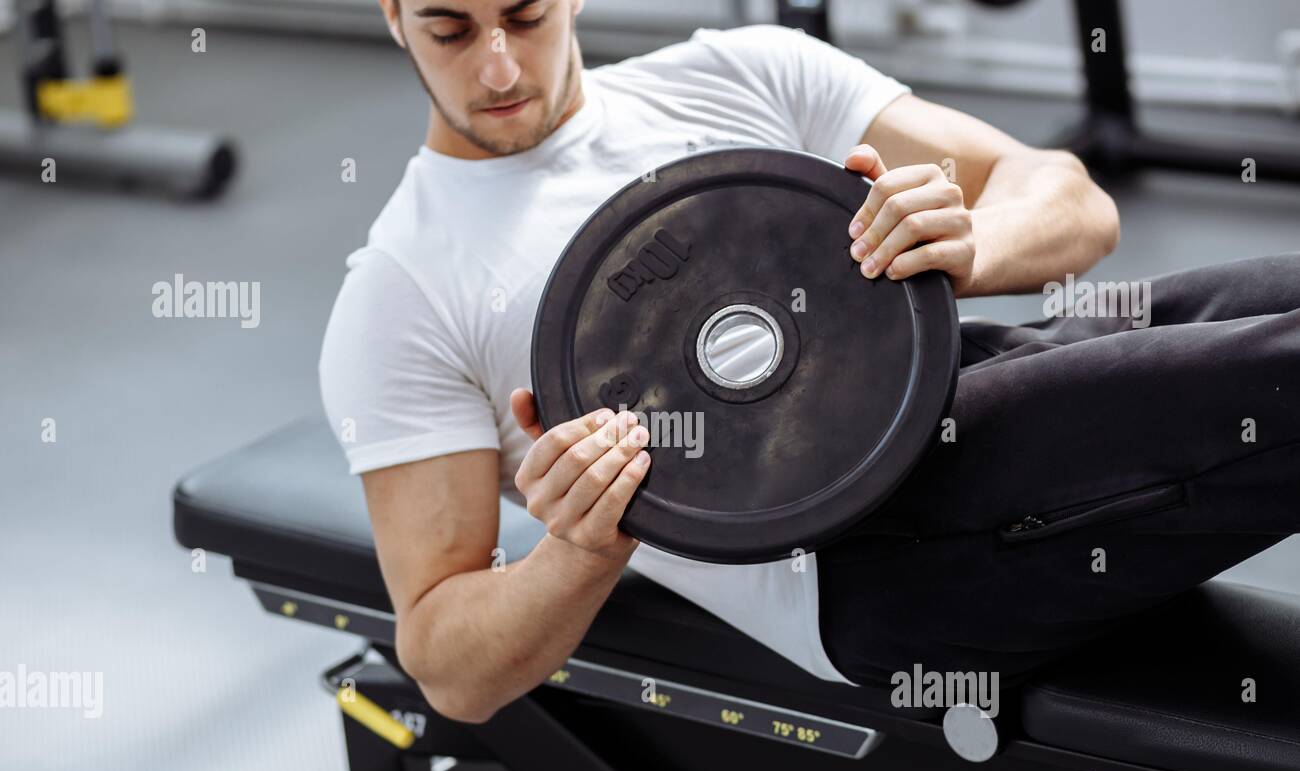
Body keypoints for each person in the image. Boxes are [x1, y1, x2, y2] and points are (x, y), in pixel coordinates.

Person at [319, 0, 1299, 722]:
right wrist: (579, 549)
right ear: (394, 15)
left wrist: (971, 247)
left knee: (1278, 295)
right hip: (870, 567)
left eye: (522, 17)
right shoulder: (400, 289)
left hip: (967, 378)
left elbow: (1072, 199)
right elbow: (446, 660)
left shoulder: (742, 71)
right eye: (450, 30)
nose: (496, 68)